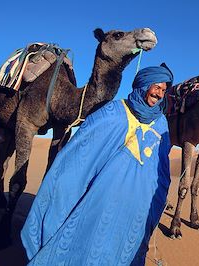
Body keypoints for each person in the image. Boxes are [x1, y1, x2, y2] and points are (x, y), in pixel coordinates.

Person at [20, 65, 174, 265]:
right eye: (156, 87)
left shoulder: (161, 123)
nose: (160, 93)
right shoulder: (114, 112)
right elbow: (82, 152)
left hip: (137, 207)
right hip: (102, 202)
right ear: (144, 85)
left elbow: (161, 166)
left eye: (163, 90)